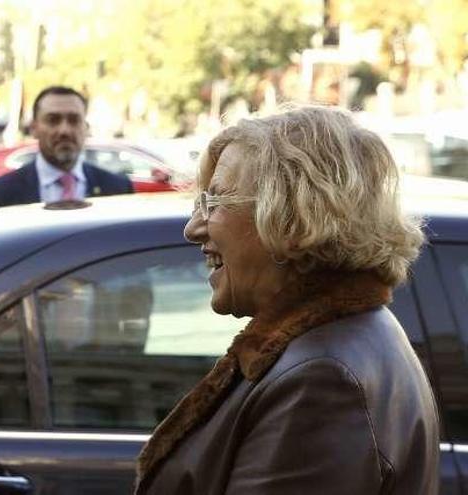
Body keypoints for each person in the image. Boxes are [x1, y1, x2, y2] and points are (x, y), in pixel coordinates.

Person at [134, 106, 438, 494]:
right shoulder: (346, 341)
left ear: (295, 219)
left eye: (216, 203)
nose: (193, 228)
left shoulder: (323, 379)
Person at [0, 86, 133, 207]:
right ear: (34, 128)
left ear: (85, 127)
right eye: (53, 120)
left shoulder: (118, 189)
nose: (64, 130)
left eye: (74, 120)